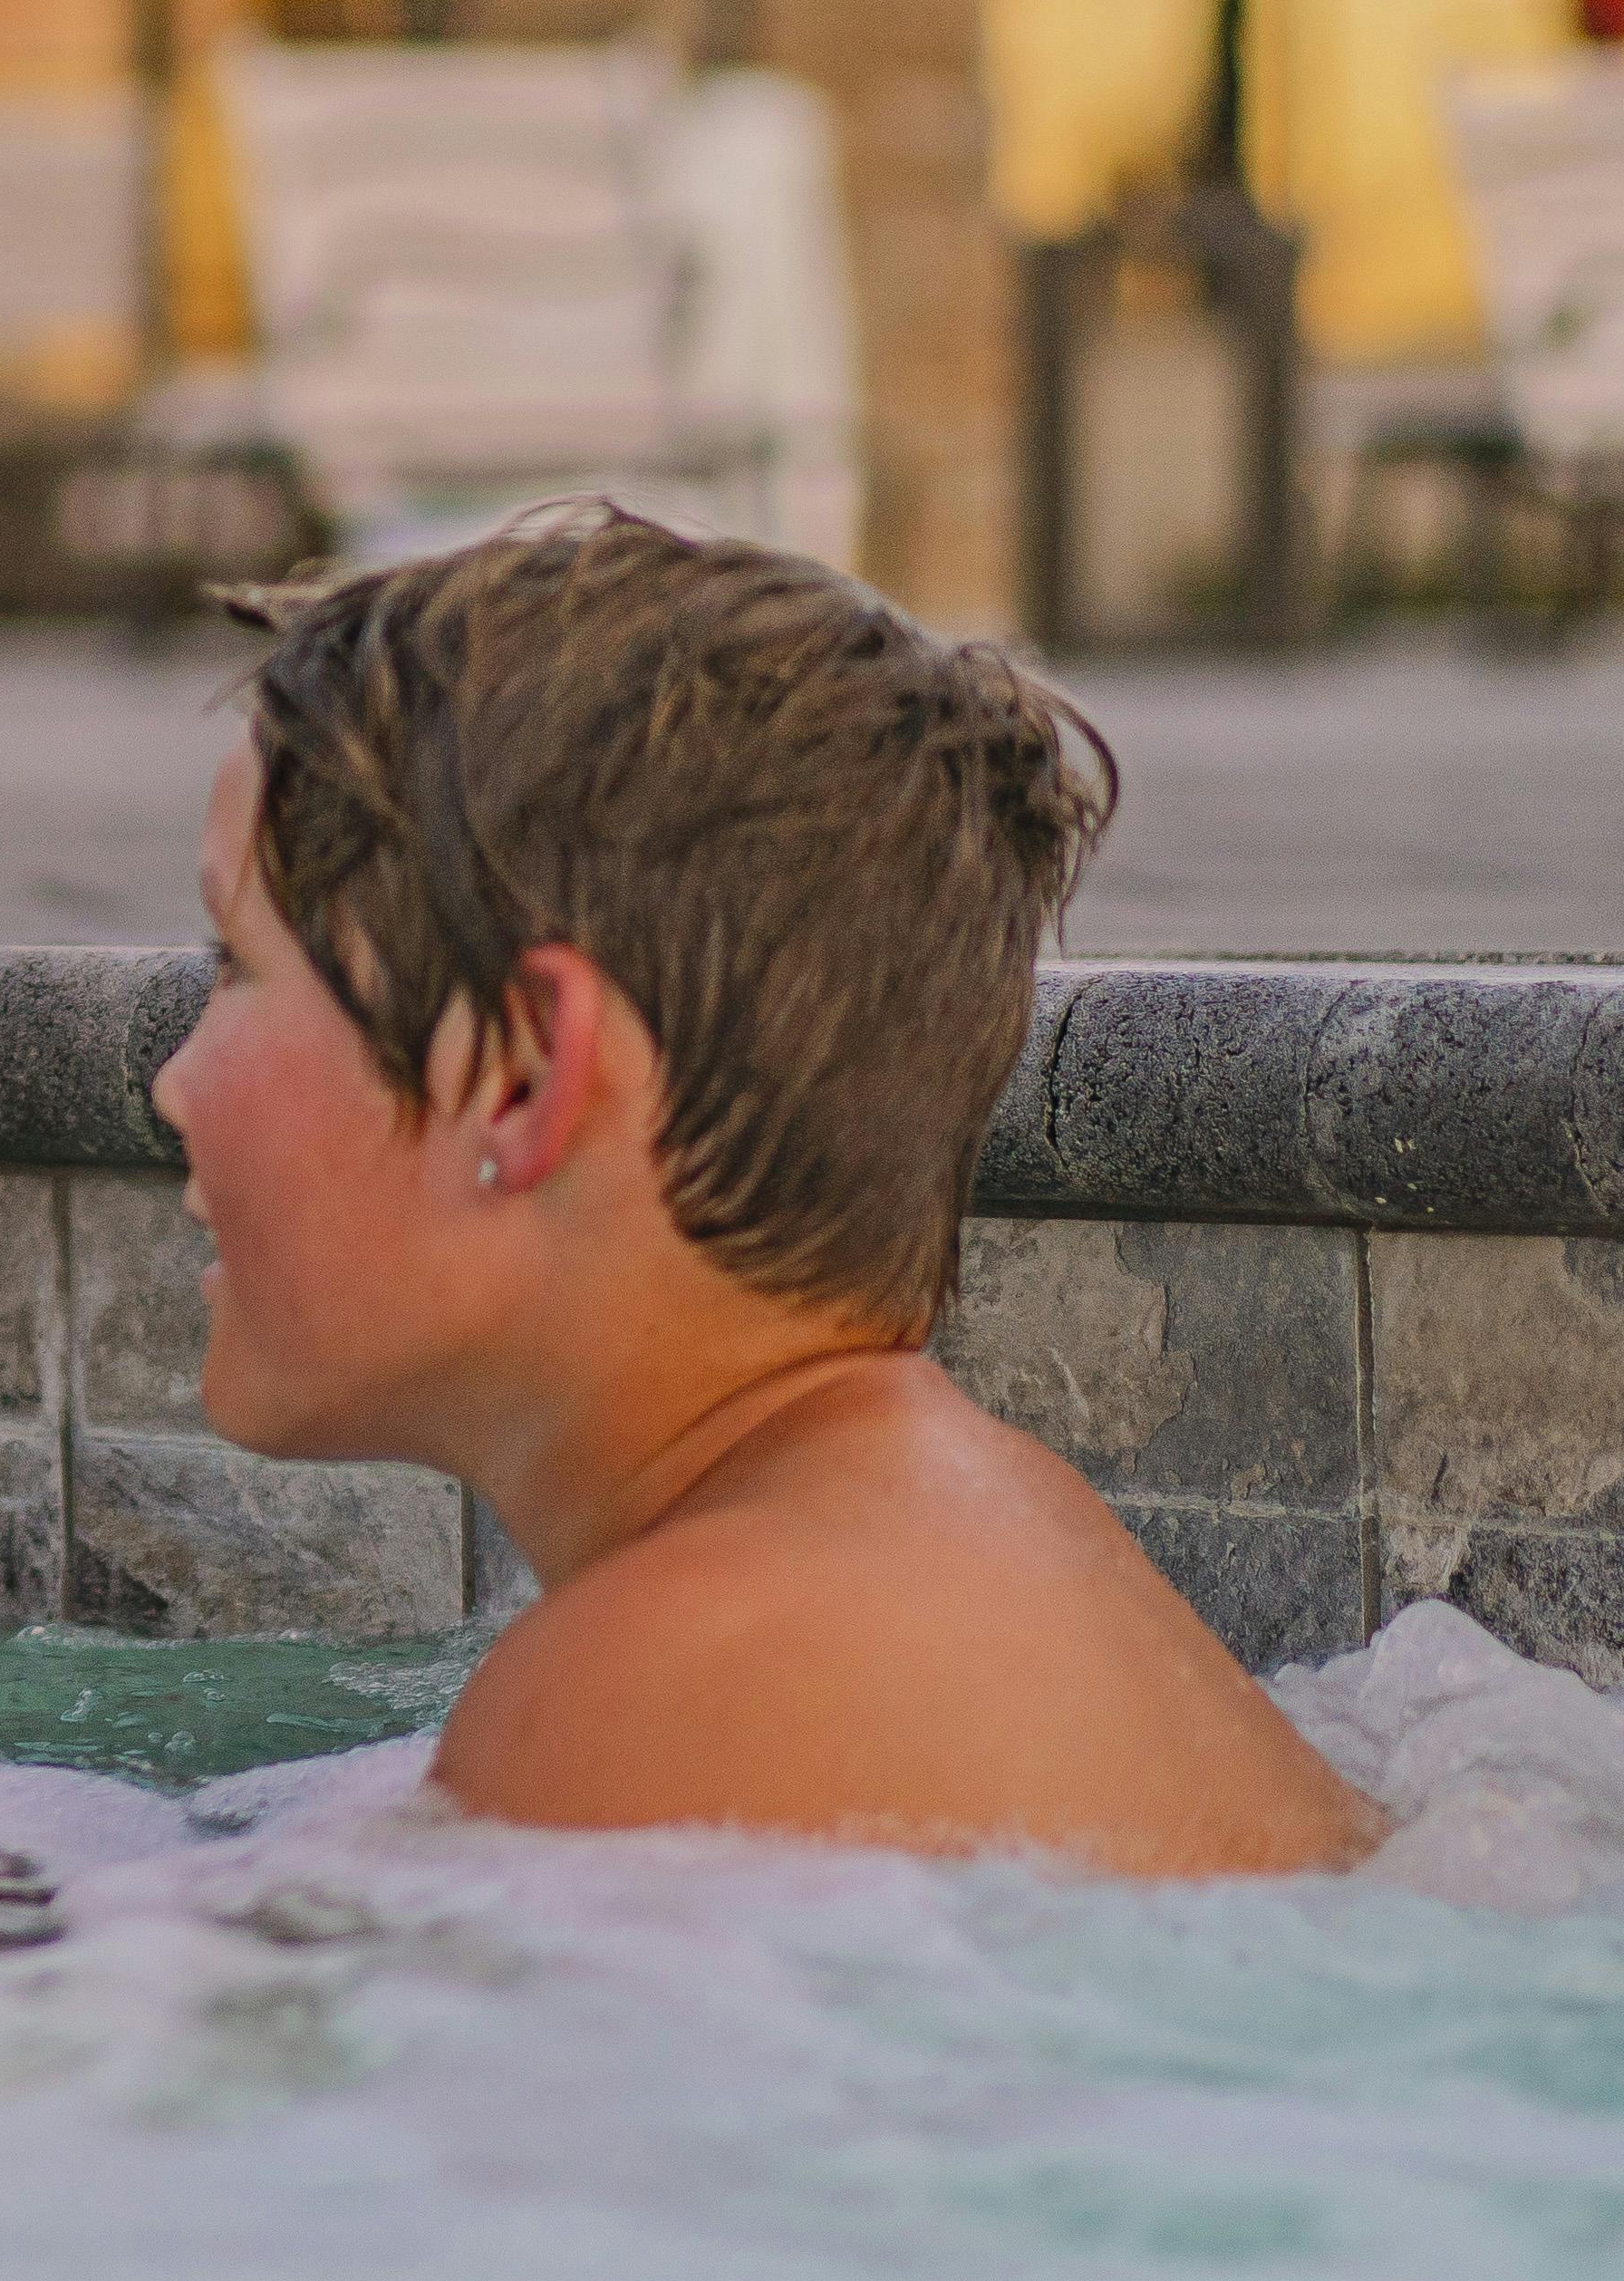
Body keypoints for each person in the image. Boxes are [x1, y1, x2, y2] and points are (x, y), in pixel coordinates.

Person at [150, 513, 1373, 1876]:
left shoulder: (662, 1691)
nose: (171, 1085)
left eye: (235, 964)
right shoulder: (975, 1550)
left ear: (521, 1074)